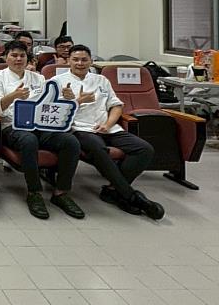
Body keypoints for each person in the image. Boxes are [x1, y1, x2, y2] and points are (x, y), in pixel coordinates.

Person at [55, 45, 164, 220]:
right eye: (75, 59)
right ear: (68, 61)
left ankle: (114, 190)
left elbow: (116, 105)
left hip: (108, 128)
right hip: (80, 129)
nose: (80, 63)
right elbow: (56, 113)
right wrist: (76, 101)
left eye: (84, 59)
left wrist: (107, 124)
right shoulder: (58, 82)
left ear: (91, 61)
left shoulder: (101, 80)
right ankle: (131, 196)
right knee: (100, 150)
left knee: (144, 149)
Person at [0, 40, 84, 220]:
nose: (18, 59)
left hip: (40, 125)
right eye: (14, 55)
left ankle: (61, 192)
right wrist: (13, 96)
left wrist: (68, 98)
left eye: (22, 55)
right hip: (12, 126)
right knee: (29, 141)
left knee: (71, 142)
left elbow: (51, 104)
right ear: (5, 57)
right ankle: (34, 192)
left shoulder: (38, 78)